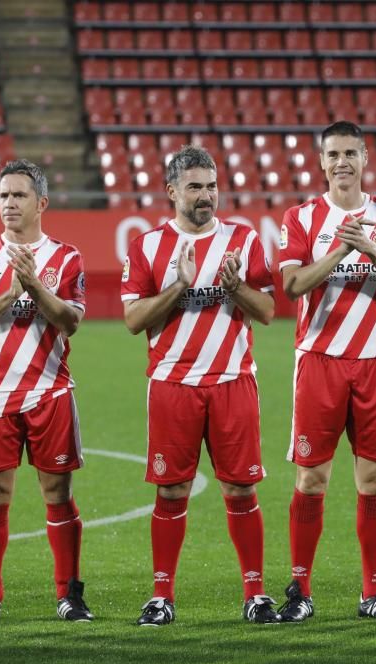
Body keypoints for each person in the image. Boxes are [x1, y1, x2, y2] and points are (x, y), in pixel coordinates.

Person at [121, 145, 278, 626]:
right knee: (171, 492)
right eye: (195, 186)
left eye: (211, 185)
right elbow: (132, 320)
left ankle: (255, 594)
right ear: (172, 191)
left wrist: (234, 288)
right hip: (173, 385)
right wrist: (178, 287)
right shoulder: (148, 246)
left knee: (240, 488)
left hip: (233, 381)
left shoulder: (243, 240)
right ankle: (162, 596)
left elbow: (268, 312)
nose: (206, 195)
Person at [276, 121, 376, 622]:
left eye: (350, 153)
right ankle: (300, 589)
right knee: (311, 479)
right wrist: (342, 248)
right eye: (333, 154)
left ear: (364, 157)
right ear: (320, 161)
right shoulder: (302, 217)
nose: (342, 163)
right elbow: (291, 286)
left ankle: (373, 592)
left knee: (374, 480)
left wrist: (373, 248)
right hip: (319, 361)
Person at [0, 159, 94, 623]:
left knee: (57, 491)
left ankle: (69, 594)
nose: (9, 204)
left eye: (19, 196)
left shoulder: (66, 257)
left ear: (41, 203)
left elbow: (71, 320)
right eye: (3, 195)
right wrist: (11, 295)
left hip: (50, 391)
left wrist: (33, 284)